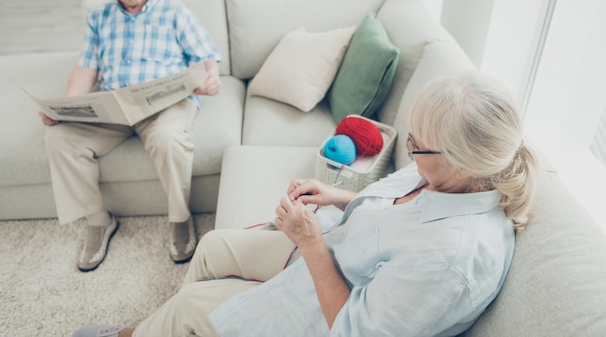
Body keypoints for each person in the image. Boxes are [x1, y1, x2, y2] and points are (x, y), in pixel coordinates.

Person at [73, 71, 539, 336]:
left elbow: (352, 329)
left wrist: (310, 243)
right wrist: (339, 196)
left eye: (417, 145)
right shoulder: (448, 174)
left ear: (459, 161)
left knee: (195, 303)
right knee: (213, 245)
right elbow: (402, 214)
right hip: (335, 251)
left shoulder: (451, 262)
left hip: (326, 307)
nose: (410, 150)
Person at [40, 0, 222, 272]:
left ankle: (180, 220)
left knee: (169, 138)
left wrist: (211, 77)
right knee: (58, 137)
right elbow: (86, 68)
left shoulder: (174, 10)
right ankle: (99, 222)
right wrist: (65, 107)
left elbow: (207, 59)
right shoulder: (99, 18)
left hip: (166, 104)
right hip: (113, 108)